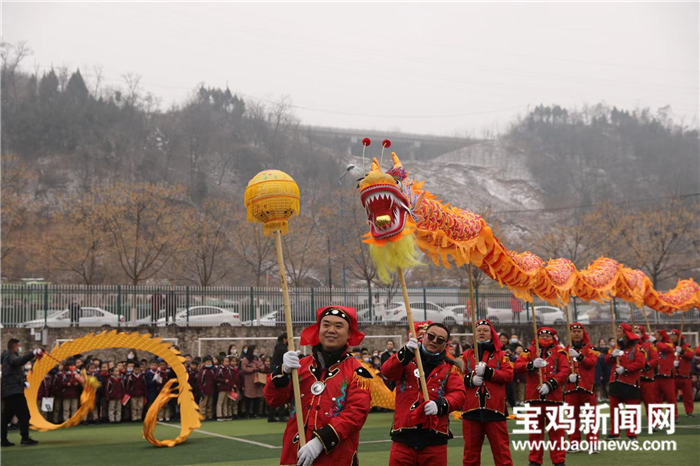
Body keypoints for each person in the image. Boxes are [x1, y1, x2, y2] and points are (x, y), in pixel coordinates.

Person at [265, 306, 371, 466]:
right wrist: (283, 371)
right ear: (318, 329)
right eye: (326, 325)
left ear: (349, 333)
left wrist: (321, 441)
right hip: (294, 457)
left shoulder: (359, 372)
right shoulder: (299, 367)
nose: (331, 330)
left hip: (336, 459)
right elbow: (273, 400)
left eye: (338, 326)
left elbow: (356, 414)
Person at [382, 322, 466, 466]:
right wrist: (405, 351)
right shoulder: (406, 360)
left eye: (440, 340)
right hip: (403, 438)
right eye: (431, 336)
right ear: (423, 336)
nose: (434, 341)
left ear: (445, 344)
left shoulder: (450, 368)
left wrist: (440, 404)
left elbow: (459, 395)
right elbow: (387, 371)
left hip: (434, 441)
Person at [514, 327, 570, 466]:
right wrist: (531, 364)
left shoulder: (559, 352)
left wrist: (551, 384)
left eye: (547, 335)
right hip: (534, 396)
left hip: (553, 397)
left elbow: (564, 370)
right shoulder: (530, 351)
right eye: (542, 335)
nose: (545, 337)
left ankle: (558, 460)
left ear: (553, 337)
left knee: (556, 431)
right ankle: (534, 460)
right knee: (535, 432)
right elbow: (517, 365)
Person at [461, 319, 514, 466]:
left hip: (495, 409)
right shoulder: (465, 355)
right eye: (479, 330)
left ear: (492, 333)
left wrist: (489, 372)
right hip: (471, 409)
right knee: (470, 455)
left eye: (485, 330)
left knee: (502, 454)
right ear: (475, 333)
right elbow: (456, 377)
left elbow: (508, 376)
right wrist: (470, 379)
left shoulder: (502, 355)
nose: (482, 333)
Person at [563, 323, 600, 453]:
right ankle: (574, 443)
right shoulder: (563, 351)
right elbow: (561, 370)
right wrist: (568, 378)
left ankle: (593, 442)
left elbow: (591, 363)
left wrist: (579, 356)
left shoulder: (591, 349)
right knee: (572, 418)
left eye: (579, 331)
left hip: (587, 388)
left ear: (583, 333)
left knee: (591, 417)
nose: (576, 334)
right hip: (570, 388)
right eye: (573, 332)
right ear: (570, 334)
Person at [605, 323, 645, 441]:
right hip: (615, 381)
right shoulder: (616, 347)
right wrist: (612, 355)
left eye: (619, 331)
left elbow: (640, 363)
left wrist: (626, 369)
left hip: (630, 381)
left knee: (632, 409)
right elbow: (607, 360)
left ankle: (632, 433)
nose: (617, 333)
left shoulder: (637, 348)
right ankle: (614, 432)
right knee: (614, 409)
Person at [1, 339, 42, 446]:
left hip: (10, 391)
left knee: (6, 417)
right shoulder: (10, 356)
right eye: (19, 346)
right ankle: (25, 438)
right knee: (24, 415)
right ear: (14, 347)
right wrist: (32, 354)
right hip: (14, 391)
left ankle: (4, 440)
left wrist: (23, 382)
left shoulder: (7, 357)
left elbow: (14, 373)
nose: (20, 348)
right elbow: (18, 361)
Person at [633, 325, 659, 419]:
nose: (636, 333)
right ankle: (632, 423)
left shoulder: (648, 346)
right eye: (634, 332)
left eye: (637, 332)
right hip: (634, 379)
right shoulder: (630, 347)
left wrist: (647, 365)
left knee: (650, 402)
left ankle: (653, 422)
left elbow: (655, 359)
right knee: (633, 403)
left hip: (647, 378)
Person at [653, 329, 677, 421]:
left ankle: (673, 416)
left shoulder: (669, 344)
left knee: (670, 398)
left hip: (667, 374)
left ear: (661, 336)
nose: (655, 337)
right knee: (657, 399)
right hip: (657, 374)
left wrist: (655, 342)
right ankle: (657, 416)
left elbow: (665, 348)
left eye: (656, 335)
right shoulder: (655, 345)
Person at [670, 329, 695, 418]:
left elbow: (691, 356)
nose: (672, 337)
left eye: (674, 335)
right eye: (671, 335)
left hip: (685, 375)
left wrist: (682, 352)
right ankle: (673, 413)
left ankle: (689, 411)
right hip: (673, 374)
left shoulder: (688, 346)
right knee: (672, 396)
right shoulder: (670, 347)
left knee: (687, 395)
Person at [268, 333, 289, 423]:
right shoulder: (282, 348)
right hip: (279, 371)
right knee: (281, 392)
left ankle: (272, 414)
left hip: (275, 370)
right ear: (285, 339)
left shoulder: (278, 347)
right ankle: (281, 414)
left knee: (275, 393)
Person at [241, 345, 265, 419]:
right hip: (249, 380)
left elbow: (262, 367)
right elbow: (244, 369)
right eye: (255, 350)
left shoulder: (257, 358)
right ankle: (247, 412)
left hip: (257, 380)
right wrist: (253, 368)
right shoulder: (245, 359)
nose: (256, 351)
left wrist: (259, 367)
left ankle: (256, 412)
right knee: (248, 397)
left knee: (257, 398)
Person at [215, 356, 235, 421]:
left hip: (227, 387)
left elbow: (231, 378)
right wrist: (223, 380)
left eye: (228, 361)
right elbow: (216, 378)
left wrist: (231, 386)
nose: (227, 363)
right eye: (226, 361)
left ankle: (225, 415)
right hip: (222, 387)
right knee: (220, 402)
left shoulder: (228, 369)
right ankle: (219, 415)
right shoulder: (220, 369)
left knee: (225, 402)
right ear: (222, 362)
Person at [198, 355, 216, 420]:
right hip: (204, 390)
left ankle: (209, 415)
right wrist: (201, 389)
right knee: (203, 404)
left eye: (210, 362)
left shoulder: (212, 371)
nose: (209, 363)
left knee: (210, 404)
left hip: (211, 390)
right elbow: (200, 381)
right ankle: (202, 416)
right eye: (207, 362)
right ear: (204, 363)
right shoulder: (202, 371)